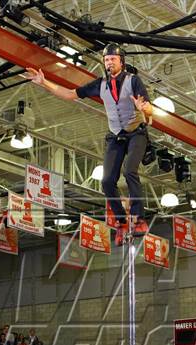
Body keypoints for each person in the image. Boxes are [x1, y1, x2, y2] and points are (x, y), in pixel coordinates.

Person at [25, 43, 153, 246]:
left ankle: (138, 219)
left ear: (122, 62)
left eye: (113, 59)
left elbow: (149, 110)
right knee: (107, 181)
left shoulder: (133, 81)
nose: (109, 62)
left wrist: (143, 108)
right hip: (115, 136)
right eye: (106, 59)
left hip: (136, 133)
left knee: (130, 171)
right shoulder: (100, 84)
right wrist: (43, 82)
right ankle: (121, 222)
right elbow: (69, 94)